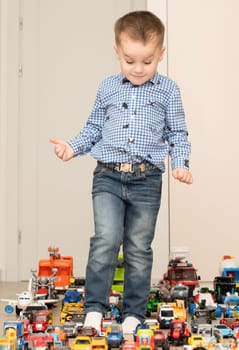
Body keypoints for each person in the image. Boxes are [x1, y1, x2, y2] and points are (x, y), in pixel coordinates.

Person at [50, 10, 193, 334]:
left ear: (161, 54)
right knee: (106, 239)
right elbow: (94, 128)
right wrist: (72, 147)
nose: (138, 69)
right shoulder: (107, 88)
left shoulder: (168, 91)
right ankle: (95, 309)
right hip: (108, 177)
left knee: (138, 247)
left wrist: (181, 165)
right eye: (130, 61)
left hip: (146, 180)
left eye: (147, 61)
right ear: (117, 52)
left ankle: (133, 313)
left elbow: (178, 134)